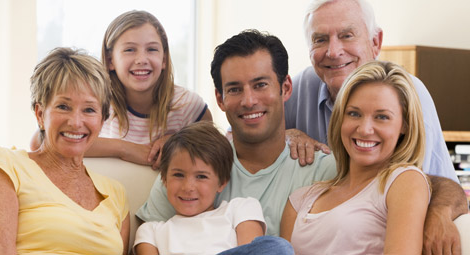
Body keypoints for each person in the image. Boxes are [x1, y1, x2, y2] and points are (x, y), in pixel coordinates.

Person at [284, 0, 468, 252]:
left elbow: (440, 184)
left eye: (347, 35)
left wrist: (438, 212)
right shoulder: (298, 88)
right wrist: (285, 134)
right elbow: (243, 139)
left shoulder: (406, 94)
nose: (333, 51)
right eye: (320, 39)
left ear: (375, 42)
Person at [136, 30, 337, 237]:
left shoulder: (324, 172)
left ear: (285, 88)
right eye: (234, 89)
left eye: (260, 85)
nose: (248, 101)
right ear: (220, 99)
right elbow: (146, 239)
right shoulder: (188, 166)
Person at [281, 60, 433, 254]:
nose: (364, 129)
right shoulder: (300, 199)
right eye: (354, 114)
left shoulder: (404, 180)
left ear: (405, 125)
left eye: (382, 117)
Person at [0, 48, 130, 254]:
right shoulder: (7, 165)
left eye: (89, 110)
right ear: (40, 114)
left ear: (102, 121)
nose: (75, 122)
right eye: (63, 106)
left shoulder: (116, 193)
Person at [31, 10, 212, 168]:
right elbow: (40, 141)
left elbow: (213, 154)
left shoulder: (188, 106)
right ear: (110, 61)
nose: (141, 59)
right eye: (129, 50)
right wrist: (124, 149)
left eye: (152, 49)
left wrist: (178, 143)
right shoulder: (96, 103)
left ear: (164, 59)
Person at [134, 121, 292, 255]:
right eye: (178, 175)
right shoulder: (150, 231)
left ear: (222, 182)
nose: (188, 187)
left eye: (201, 176)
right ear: (164, 179)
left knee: (279, 247)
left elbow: (253, 250)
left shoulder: (240, 208)